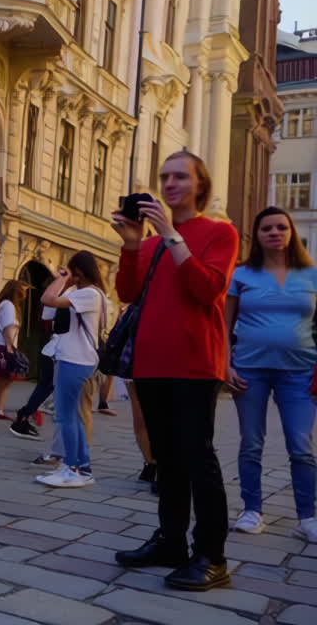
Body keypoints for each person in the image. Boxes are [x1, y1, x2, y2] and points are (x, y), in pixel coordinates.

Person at [111, 150, 238, 592]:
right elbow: (127, 292)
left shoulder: (219, 233)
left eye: (180, 177)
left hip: (195, 362)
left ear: (199, 185)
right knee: (166, 460)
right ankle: (170, 541)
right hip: (150, 361)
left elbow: (208, 289)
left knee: (197, 456)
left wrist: (171, 236)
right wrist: (131, 243)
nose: (169, 184)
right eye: (164, 177)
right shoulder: (148, 243)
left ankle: (212, 555)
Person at [225, 206, 317, 542]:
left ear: (291, 232)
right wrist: (225, 364)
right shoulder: (241, 275)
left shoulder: (312, 275)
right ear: (258, 235)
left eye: (281, 227)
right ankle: (252, 510)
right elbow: (225, 325)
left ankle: (307, 518)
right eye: (267, 228)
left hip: (301, 371)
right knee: (251, 443)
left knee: (302, 446)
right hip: (250, 369)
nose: (275, 233)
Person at [35, 252, 107, 488]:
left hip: (75, 359)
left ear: (80, 272)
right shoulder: (89, 294)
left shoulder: (89, 293)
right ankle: (81, 468)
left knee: (66, 416)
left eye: (72, 271)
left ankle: (72, 468)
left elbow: (47, 298)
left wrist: (62, 278)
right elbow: (49, 309)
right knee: (72, 416)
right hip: (76, 358)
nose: (69, 276)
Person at [9, 278, 70, 441]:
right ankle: (27, 415)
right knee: (51, 387)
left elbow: (46, 315)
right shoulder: (77, 297)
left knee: (46, 386)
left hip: (52, 349)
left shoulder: (62, 298)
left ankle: (25, 415)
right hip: (61, 351)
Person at [0, 280, 31, 419]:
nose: (25, 294)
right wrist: (10, 348)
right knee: (3, 380)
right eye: (24, 290)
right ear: (17, 291)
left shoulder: (4, 304)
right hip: (2, 346)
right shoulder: (9, 306)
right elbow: (8, 328)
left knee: (1, 380)